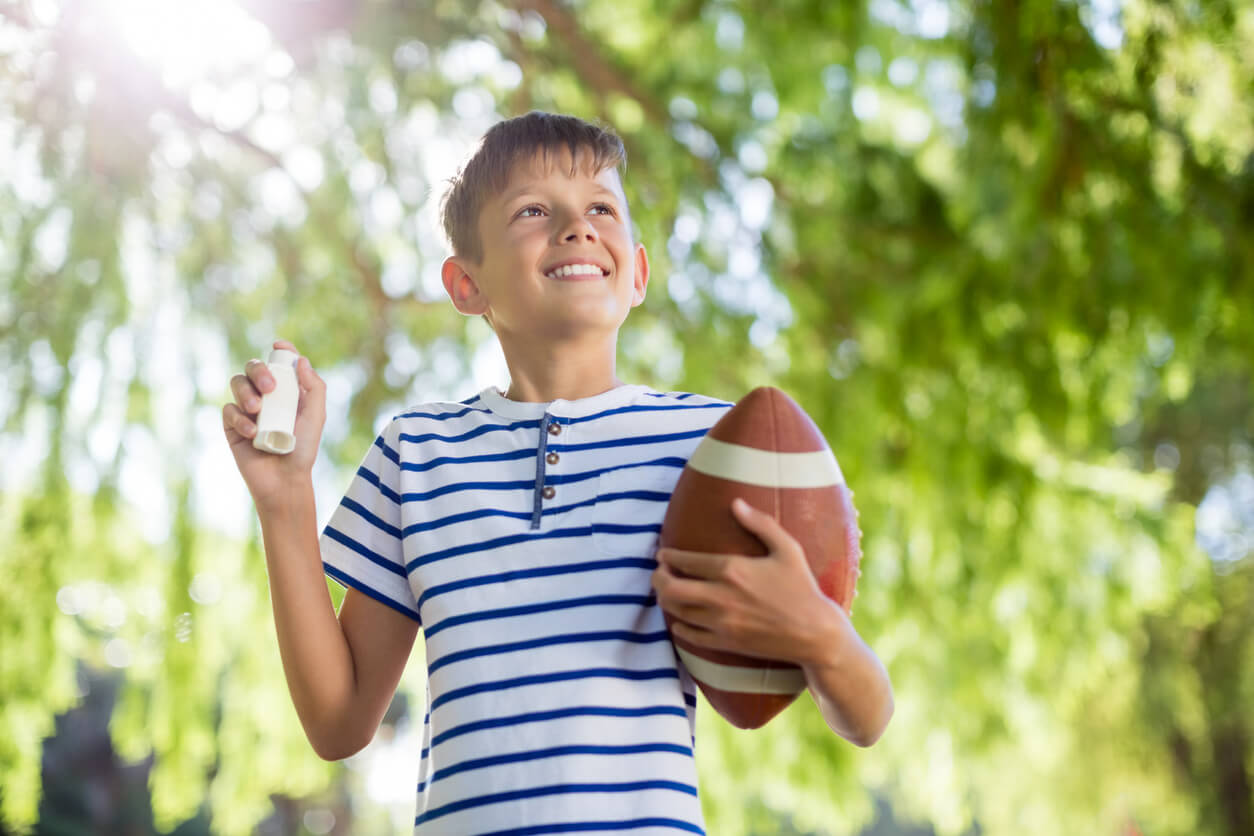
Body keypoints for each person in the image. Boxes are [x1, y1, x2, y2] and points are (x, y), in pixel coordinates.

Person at [223, 111, 893, 833]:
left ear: (636, 271)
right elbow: (338, 723)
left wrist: (818, 633)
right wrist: (286, 499)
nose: (578, 227)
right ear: (466, 283)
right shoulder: (416, 453)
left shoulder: (711, 447)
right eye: (533, 211)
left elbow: (867, 715)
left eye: (602, 208)